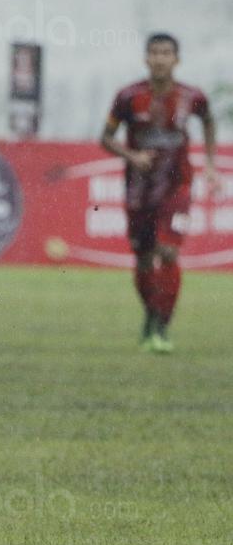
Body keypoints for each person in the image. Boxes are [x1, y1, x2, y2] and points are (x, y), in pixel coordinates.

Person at [100, 33, 219, 353]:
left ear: (176, 59)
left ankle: (162, 326)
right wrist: (132, 156)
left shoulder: (191, 96)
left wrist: (210, 164)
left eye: (166, 53)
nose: (160, 58)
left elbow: (208, 120)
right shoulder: (128, 96)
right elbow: (106, 138)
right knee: (143, 258)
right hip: (139, 189)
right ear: (146, 58)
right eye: (154, 52)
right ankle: (151, 316)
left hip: (178, 185)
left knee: (168, 251)